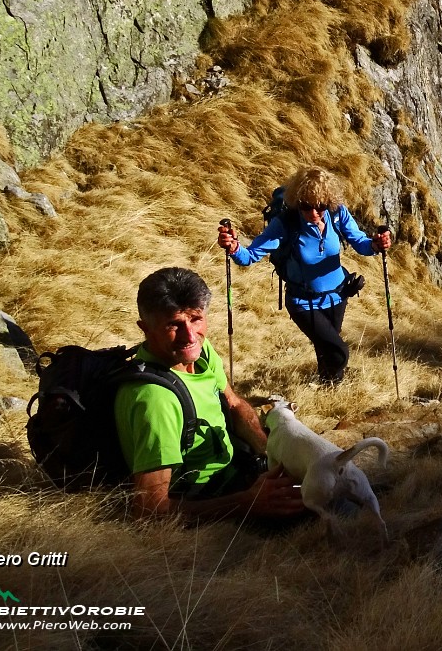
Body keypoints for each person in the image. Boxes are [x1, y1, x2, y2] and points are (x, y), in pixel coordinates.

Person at [115, 266, 305, 520]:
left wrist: (272, 453)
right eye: (174, 324)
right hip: (206, 497)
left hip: (237, 469)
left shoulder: (201, 352)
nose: (190, 335)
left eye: (196, 318)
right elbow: (150, 509)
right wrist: (249, 502)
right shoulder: (155, 400)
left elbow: (234, 403)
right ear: (145, 328)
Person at [217, 166, 391, 385]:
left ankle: (328, 393)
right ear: (297, 201)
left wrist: (376, 244)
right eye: (307, 206)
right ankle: (332, 386)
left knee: (325, 350)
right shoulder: (286, 224)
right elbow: (249, 256)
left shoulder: (337, 214)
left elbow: (362, 244)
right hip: (303, 302)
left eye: (321, 206)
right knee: (338, 351)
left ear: (328, 201)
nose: (314, 212)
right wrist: (233, 247)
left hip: (338, 296)